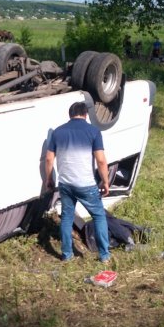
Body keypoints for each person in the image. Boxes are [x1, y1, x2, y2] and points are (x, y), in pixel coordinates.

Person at [45, 102, 111, 263]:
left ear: (70, 115)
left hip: (66, 184)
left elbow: (48, 158)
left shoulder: (57, 132)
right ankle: (104, 255)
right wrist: (105, 182)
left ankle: (67, 255)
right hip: (86, 184)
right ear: (85, 114)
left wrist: (49, 179)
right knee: (99, 216)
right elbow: (101, 161)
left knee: (67, 217)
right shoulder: (93, 131)